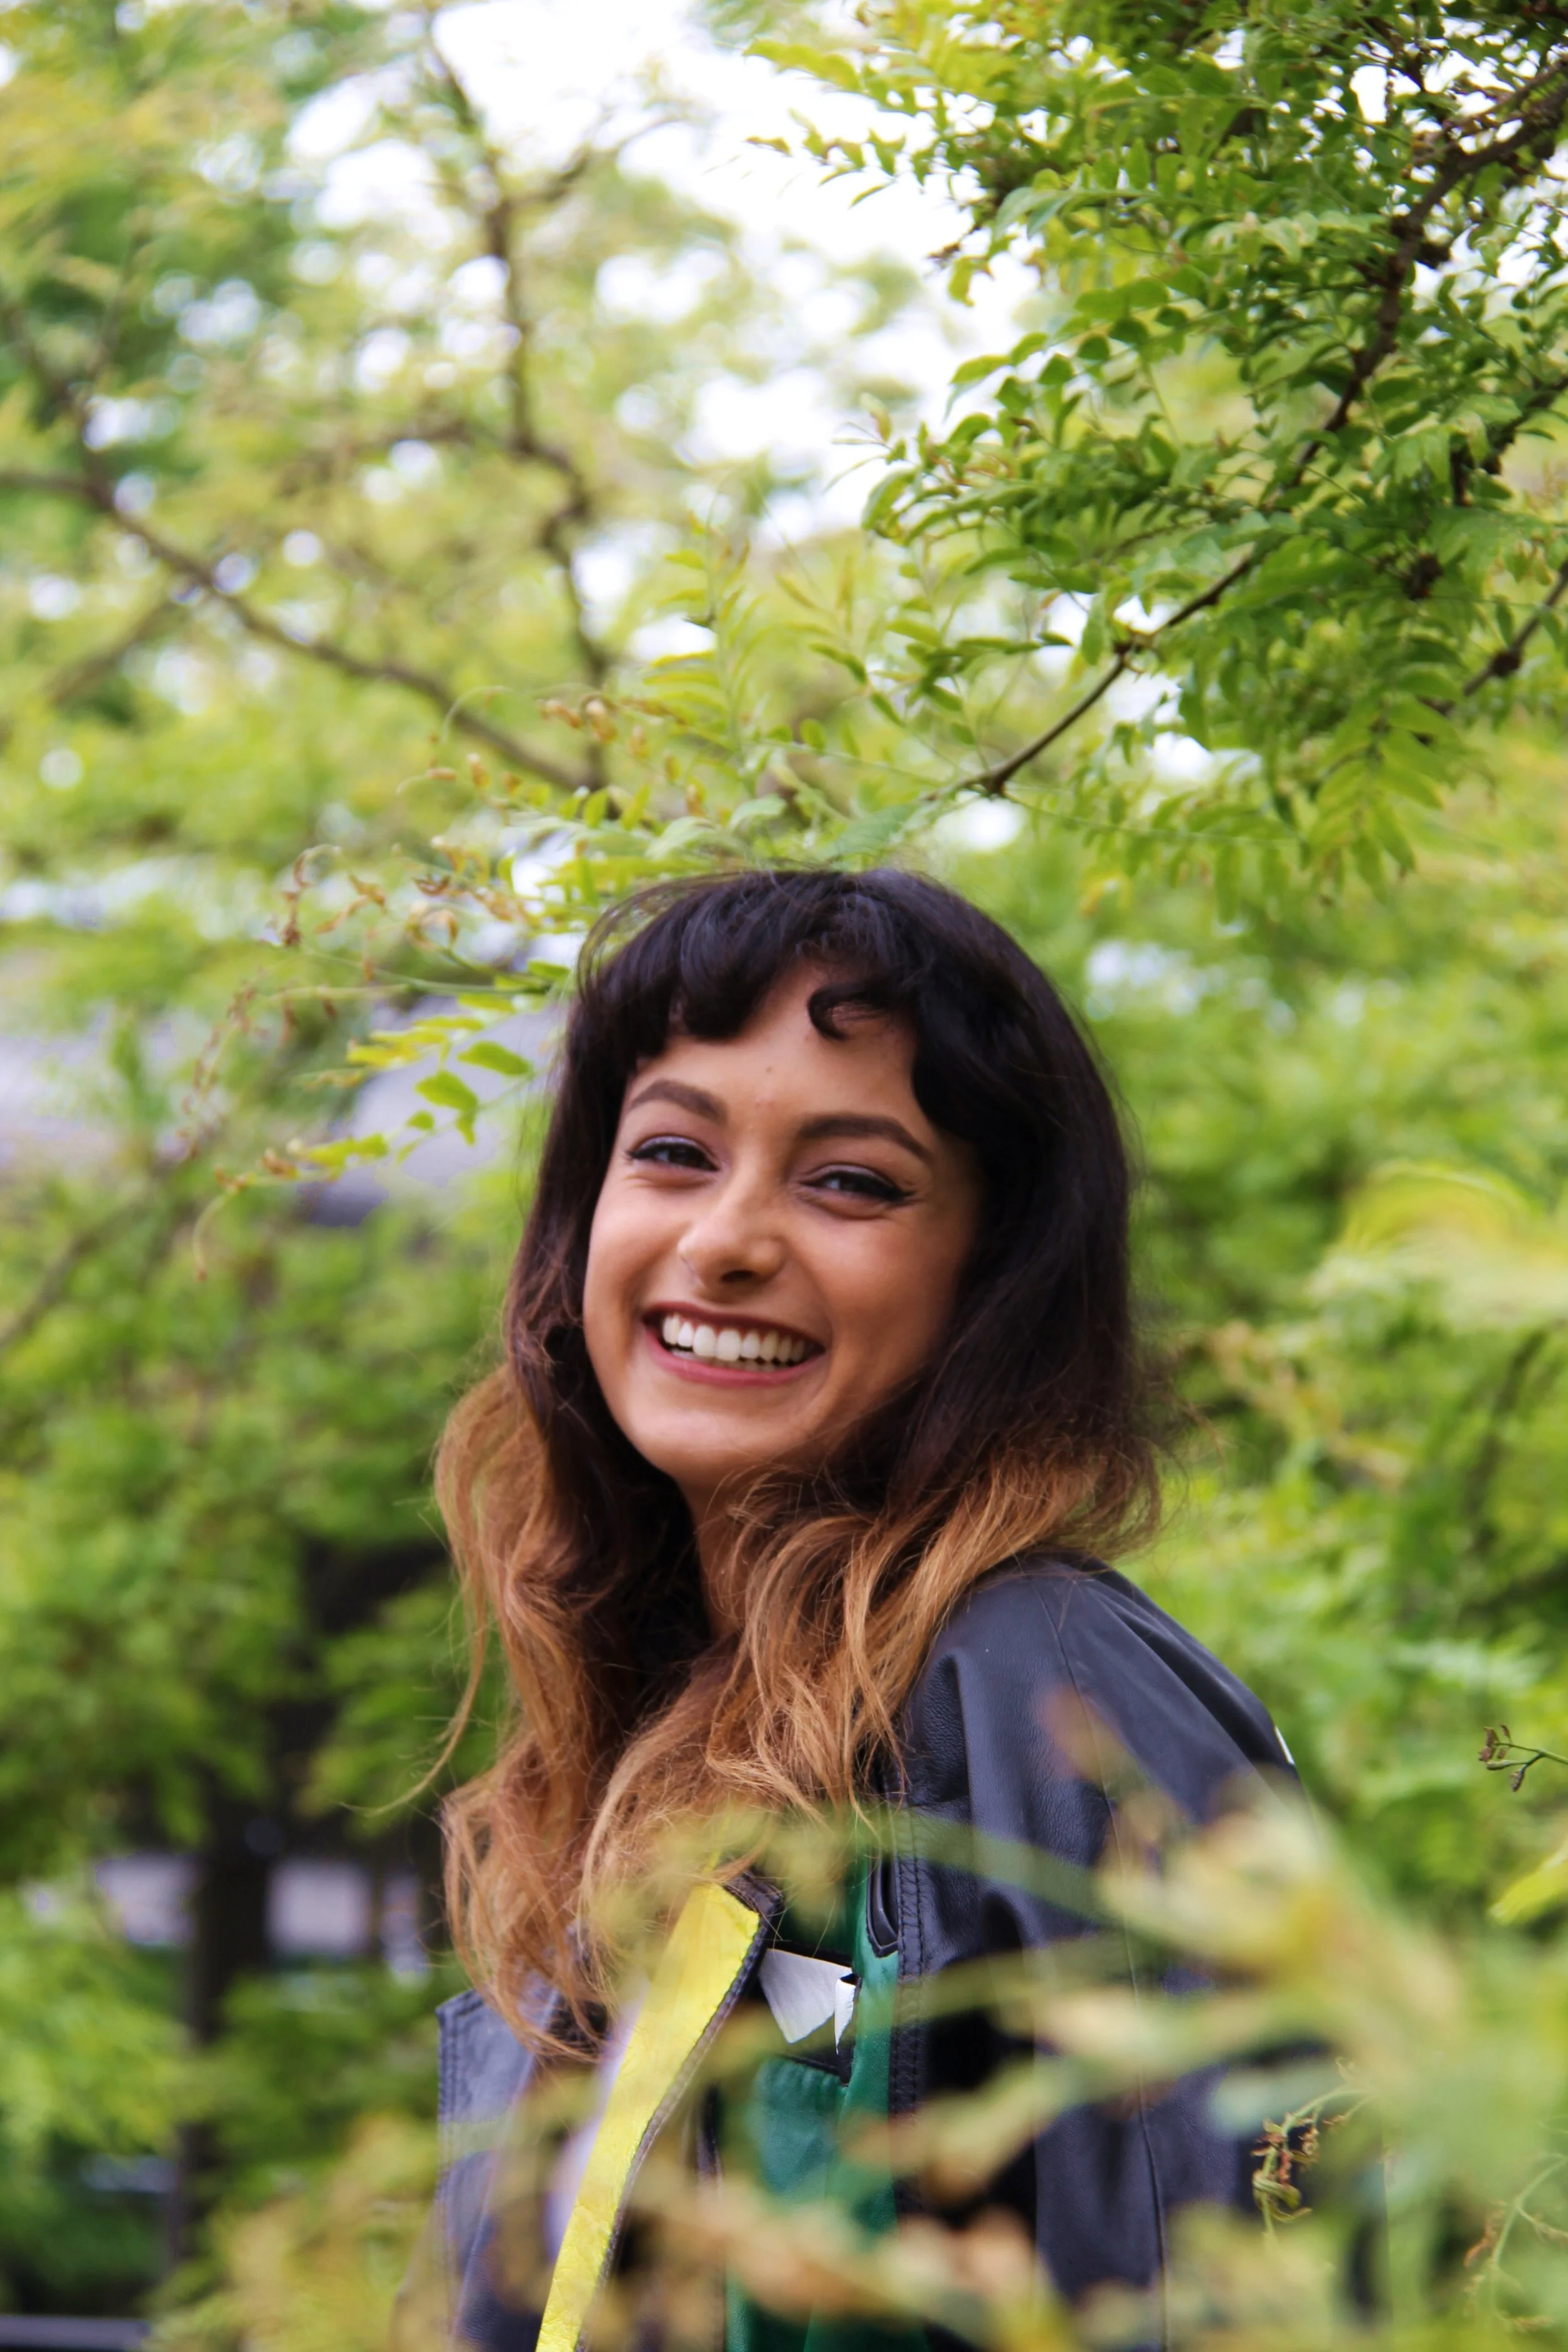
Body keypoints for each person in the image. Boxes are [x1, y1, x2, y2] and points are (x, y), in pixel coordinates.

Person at [404, 868, 1293, 2352]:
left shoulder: (1045, 1694)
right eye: (674, 1152)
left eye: (850, 1181)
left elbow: (1224, 2299)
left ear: (990, 1280)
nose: (727, 1240)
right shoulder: (625, 1760)